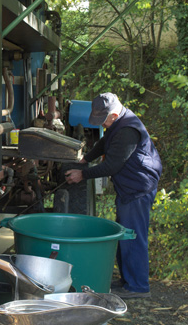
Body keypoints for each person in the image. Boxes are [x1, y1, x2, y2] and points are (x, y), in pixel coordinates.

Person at [65, 93, 162, 299]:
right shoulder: (118, 124)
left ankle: (138, 286)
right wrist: (85, 159)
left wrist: (83, 174)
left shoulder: (128, 130)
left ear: (115, 115)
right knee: (124, 235)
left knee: (133, 237)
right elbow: (103, 143)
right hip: (128, 186)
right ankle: (127, 280)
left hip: (137, 188)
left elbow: (112, 165)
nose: (104, 125)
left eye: (105, 121)